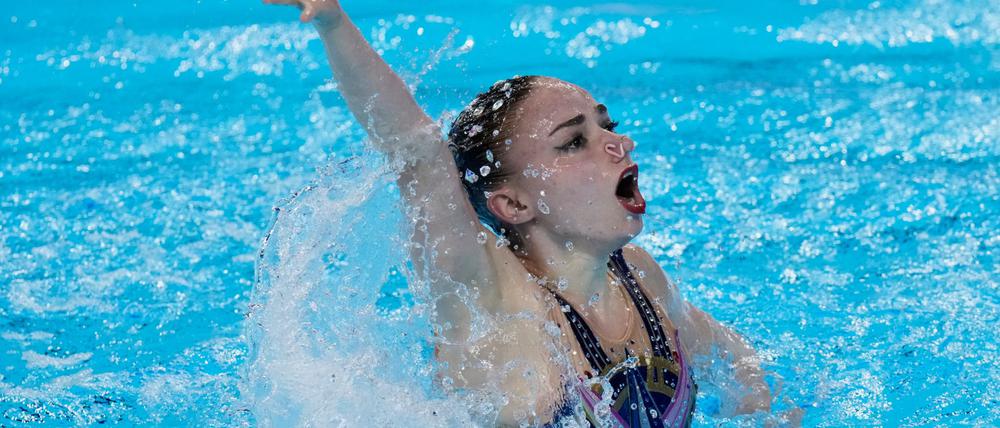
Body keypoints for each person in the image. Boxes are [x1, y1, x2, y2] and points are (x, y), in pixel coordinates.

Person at [264, 0, 800, 426]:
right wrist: (332, 21)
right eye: (573, 143)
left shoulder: (639, 276)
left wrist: (760, 408)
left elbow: (732, 354)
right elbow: (418, 153)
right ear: (513, 204)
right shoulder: (493, 302)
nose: (618, 144)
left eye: (606, 126)